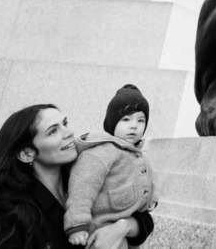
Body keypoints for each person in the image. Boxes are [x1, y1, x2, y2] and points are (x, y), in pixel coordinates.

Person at [0, 104, 153, 249]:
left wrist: (122, 227)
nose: (69, 133)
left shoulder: (86, 174)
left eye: (65, 124)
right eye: (53, 131)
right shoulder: (8, 212)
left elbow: (143, 217)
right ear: (27, 154)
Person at [64, 85, 157, 247]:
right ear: (112, 122)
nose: (134, 126)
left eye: (140, 120)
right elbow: (82, 187)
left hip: (124, 227)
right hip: (97, 228)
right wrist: (77, 224)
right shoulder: (101, 151)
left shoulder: (138, 155)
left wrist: (151, 199)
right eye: (126, 119)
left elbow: (148, 180)